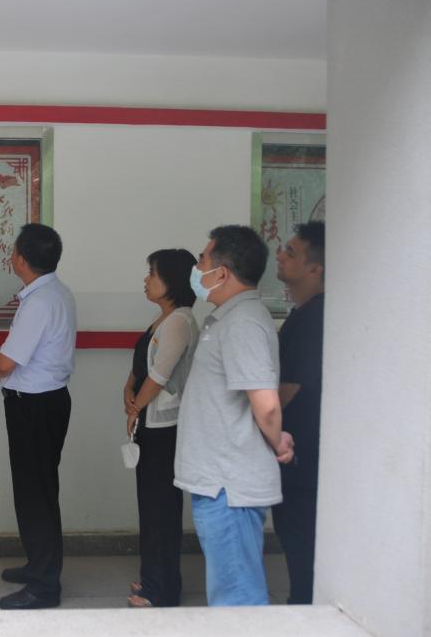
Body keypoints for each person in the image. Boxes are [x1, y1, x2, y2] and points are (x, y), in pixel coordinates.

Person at [173, 225, 294, 606]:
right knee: (232, 592)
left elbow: (266, 402)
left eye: (202, 260)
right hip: (220, 482)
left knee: (237, 601)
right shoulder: (228, 319)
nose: (197, 268)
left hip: (230, 486)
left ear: (222, 273)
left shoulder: (243, 323)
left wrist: (279, 442)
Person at [0, 223, 76, 610]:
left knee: (35, 494)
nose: (11, 257)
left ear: (21, 259)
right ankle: (39, 565)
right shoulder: (56, 292)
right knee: (39, 490)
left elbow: (4, 363)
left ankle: (44, 586)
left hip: (34, 406)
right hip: (46, 403)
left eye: (14, 251)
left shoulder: (39, 302)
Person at [123, 249, 200, 608]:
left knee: (161, 509)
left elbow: (159, 375)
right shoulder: (162, 319)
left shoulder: (181, 321)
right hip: (148, 423)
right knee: (150, 506)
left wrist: (135, 407)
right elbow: (140, 367)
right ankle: (153, 577)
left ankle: (162, 590)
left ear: (172, 281)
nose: (146, 280)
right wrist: (128, 391)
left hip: (164, 427)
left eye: (152, 274)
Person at [272, 221, 325, 604]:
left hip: (304, 456)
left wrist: (260, 424)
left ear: (314, 269)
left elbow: (286, 391)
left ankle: (304, 611)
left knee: (301, 540)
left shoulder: (313, 319)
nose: (280, 255)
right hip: (297, 453)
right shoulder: (303, 313)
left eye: (290, 252)